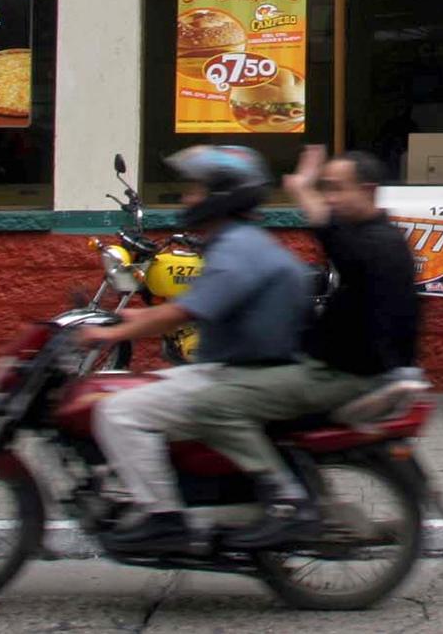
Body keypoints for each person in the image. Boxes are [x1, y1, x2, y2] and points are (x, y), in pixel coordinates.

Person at [181, 145, 423, 550]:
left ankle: (285, 501)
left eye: (338, 189)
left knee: (212, 404)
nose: (330, 197)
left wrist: (301, 190)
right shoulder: (378, 237)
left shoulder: (379, 244)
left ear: (370, 191)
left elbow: (337, 244)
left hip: (341, 376)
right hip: (336, 368)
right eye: (325, 189)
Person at [83, 144, 310, 553]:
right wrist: (127, 321)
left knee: (119, 411)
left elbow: (182, 312)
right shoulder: (235, 241)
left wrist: (110, 335)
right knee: (145, 385)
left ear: (223, 196)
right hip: (239, 366)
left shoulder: (237, 247)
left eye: (197, 190)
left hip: (246, 374)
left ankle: (164, 517)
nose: (188, 199)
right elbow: (192, 308)